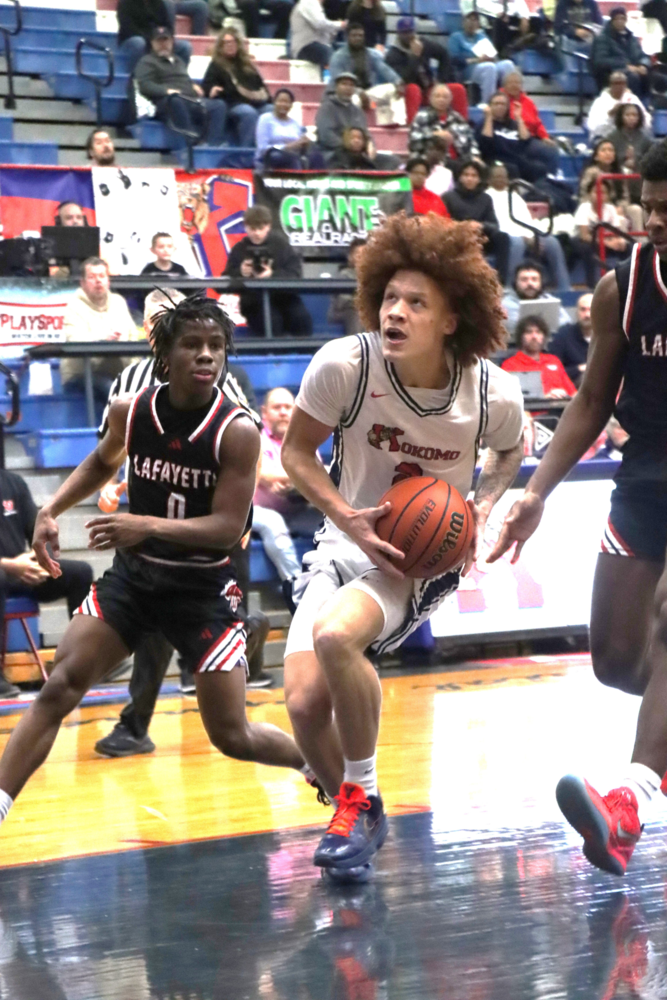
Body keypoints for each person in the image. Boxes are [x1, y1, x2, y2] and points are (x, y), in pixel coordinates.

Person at [0, 295, 329, 838]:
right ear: (166, 354)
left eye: (216, 347)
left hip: (202, 587)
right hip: (136, 579)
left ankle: (314, 765)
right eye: (193, 345)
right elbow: (102, 460)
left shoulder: (238, 430)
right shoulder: (131, 412)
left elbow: (227, 528)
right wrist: (51, 510)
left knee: (231, 734)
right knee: (60, 685)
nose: (206, 356)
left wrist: (144, 525)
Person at [280, 212, 524, 880]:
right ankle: (356, 811)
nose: (396, 311)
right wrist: (344, 517)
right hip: (344, 537)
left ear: (450, 320)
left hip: (418, 561)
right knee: (302, 705)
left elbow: (514, 447)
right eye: (389, 298)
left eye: (416, 303)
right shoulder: (344, 367)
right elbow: (295, 452)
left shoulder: (487, 390)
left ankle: (357, 798)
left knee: (335, 638)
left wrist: (479, 505)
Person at [487, 139, 667, 879]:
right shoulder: (620, 287)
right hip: (645, 481)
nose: (653, 220)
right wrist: (534, 492)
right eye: (648, 207)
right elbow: (591, 400)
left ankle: (627, 799)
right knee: (619, 661)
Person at [94, 290, 272, 758]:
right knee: (152, 628)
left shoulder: (221, 384)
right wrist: (113, 486)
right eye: (157, 320)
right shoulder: (129, 386)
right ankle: (135, 724)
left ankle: (232, 638)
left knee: (183, 626)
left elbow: (239, 453)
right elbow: (111, 449)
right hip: (153, 519)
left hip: (216, 521)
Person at [0, 472, 93, 699]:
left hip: (24, 572)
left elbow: (37, 530)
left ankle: (81, 665)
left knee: (80, 573)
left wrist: (40, 560)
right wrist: (9, 565)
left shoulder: (13, 483)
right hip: (5, 571)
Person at [253, 388, 321, 592]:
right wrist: (299, 477)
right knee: (274, 523)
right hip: (256, 510)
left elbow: (318, 478)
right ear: (264, 413)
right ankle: (297, 593)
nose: (283, 412)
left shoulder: (303, 442)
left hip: (295, 511)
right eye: (277, 408)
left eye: (288, 407)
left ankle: (330, 585)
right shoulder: (255, 438)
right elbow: (263, 473)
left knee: (333, 522)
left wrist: (292, 484)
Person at [223, 205, 313, 338]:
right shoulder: (239, 250)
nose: (257, 233)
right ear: (246, 227)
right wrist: (241, 273)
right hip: (254, 302)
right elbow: (225, 280)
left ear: (268, 226)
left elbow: (295, 274)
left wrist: (272, 275)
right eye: (253, 229)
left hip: (285, 299)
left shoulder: (281, 246)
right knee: (271, 320)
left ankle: (304, 355)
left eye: (261, 229)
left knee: (302, 319)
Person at [61, 257, 139, 407]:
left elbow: (133, 336)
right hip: (81, 375)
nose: (98, 281)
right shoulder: (74, 306)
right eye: (92, 277)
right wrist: (103, 339)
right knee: (112, 389)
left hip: (118, 372)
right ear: (82, 283)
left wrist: (134, 371)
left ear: (108, 280)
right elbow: (74, 341)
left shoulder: (119, 301)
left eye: (102, 276)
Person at [135, 27, 228, 147]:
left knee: (218, 105)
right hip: (167, 102)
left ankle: (213, 144)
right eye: (159, 41)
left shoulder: (178, 60)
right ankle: (191, 141)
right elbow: (145, 85)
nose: (163, 44)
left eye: (166, 40)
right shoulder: (146, 62)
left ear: (172, 42)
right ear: (152, 43)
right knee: (176, 100)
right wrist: (166, 91)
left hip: (190, 100)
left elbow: (183, 79)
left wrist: (192, 85)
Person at [486, 162, 572, 291]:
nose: (501, 179)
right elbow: (500, 224)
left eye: (504, 176)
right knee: (517, 243)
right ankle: (510, 288)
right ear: (489, 179)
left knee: (552, 242)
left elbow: (527, 220)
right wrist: (525, 237)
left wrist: (533, 235)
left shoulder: (514, 196)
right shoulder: (487, 196)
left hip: (526, 233)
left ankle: (564, 288)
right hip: (506, 236)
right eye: (497, 176)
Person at [443, 159, 512, 284]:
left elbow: (494, 225)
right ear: (460, 177)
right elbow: (443, 223)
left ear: (479, 179)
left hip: (480, 236)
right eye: (466, 175)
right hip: (457, 237)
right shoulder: (449, 197)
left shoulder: (486, 198)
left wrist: (480, 225)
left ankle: (501, 283)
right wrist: (464, 226)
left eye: (474, 175)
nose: (470, 179)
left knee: (503, 237)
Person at [202, 27, 272, 149]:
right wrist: (211, 90)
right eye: (226, 42)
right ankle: (245, 151)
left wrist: (269, 99)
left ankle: (268, 150)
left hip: (255, 102)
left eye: (233, 42)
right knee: (248, 113)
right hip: (233, 104)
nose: (230, 45)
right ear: (221, 46)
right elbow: (207, 85)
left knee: (270, 110)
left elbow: (261, 86)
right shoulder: (216, 65)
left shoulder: (248, 65)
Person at [328, 22, 404, 125]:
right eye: (354, 35)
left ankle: (399, 123)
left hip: (368, 92)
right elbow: (338, 83)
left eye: (360, 36)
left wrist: (398, 82)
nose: (358, 38)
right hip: (348, 94)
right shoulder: (338, 57)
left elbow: (384, 69)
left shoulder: (370, 54)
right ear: (347, 37)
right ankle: (350, 129)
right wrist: (358, 92)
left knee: (394, 90)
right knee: (353, 101)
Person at [477, 91, 559, 182]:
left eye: (503, 104)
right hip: (495, 160)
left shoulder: (512, 124)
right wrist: (489, 118)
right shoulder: (484, 123)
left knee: (540, 169)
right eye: (496, 104)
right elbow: (486, 142)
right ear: (490, 106)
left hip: (516, 159)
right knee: (512, 169)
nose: (500, 107)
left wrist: (519, 118)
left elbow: (526, 140)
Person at [385, 16, 452, 123]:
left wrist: (441, 80)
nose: (408, 36)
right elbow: (404, 79)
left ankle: (460, 125)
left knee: (457, 89)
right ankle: (412, 126)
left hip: (429, 88)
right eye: (404, 33)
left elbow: (444, 54)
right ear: (398, 34)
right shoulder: (393, 55)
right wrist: (414, 57)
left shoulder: (424, 43)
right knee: (413, 89)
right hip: (409, 91)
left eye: (410, 32)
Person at [572, 177, 631, 287]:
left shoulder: (610, 209)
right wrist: (605, 242)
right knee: (586, 248)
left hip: (605, 241)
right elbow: (584, 235)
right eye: (596, 192)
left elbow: (615, 232)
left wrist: (619, 242)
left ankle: (629, 282)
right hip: (583, 241)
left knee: (628, 247)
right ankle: (592, 285)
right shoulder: (584, 208)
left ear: (608, 195)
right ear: (589, 194)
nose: (599, 195)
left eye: (603, 192)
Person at [448, 11, 516, 105]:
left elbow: (494, 56)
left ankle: (510, 101)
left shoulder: (481, 36)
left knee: (507, 64)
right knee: (489, 67)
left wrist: (491, 58)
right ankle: (489, 103)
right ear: (463, 22)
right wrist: (477, 60)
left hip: (487, 64)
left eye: (475, 20)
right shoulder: (456, 37)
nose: (472, 23)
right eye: (469, 19)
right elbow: (454, 60)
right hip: (469, 69)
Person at [501, 314, 577, 397]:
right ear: (521, 337)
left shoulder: (554, 360)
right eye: (529, 332)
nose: (534, 336)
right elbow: (509, 401)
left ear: (543, 337)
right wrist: (546, 397)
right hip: (531, 408)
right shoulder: (509, 365)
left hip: (561, 408)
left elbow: (573, 393)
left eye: (538, 332)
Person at [408, 84, 480, 164]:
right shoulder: (421, 117)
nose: (441, 100)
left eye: (445, 97)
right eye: (437, 96)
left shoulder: (458, 118)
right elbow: (413, 144)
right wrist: (434, 136)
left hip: (459, 162)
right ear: (430, 99)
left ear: (450, 99)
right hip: (429, 162)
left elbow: (471, 142)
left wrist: (475, 157)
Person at [255, 88, 324, 169]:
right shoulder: (265, 119)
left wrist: (304, 143)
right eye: (280, 101)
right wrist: (287, 147)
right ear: (274, 102)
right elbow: (262, 148)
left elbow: (299, 144)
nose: (283, 104)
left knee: (317, 155)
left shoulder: (295, 123)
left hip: (294, 155)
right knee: (290, 158)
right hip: (271, 157)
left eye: (287, 102)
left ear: (291, 105)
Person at [591, 7, 650, 97]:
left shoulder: (632, 38)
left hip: (633, 69)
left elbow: (642, 55)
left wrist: (643, 65)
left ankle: (647, 106)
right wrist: (625, 66)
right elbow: (600, 61)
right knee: (633, 78)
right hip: (612, 72)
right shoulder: (602, 38)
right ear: (611, 21)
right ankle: (631, 105)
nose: (619, 21)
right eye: (616, 19)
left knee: (654, 76)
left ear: (626, 20)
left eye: (622, 18)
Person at [117, 0, 194, 70]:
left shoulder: (159, 3)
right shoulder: (125, 3)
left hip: (157, 39)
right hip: (132, 41)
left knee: (185, 47)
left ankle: (178, 79)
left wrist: (164, 40)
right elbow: (129, 29)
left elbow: (167, 27)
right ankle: (137, 78)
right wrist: (151, 41)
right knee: (138, 42)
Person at [502, 261, 570, 339]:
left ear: (541, 283)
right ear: (515, 283)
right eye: (524, 280)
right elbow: (516, 326)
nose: (530, 283)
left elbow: (567, 324)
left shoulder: (550, 299)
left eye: (534, 279)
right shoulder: (506, 304)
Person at [315, 72, 370, 163]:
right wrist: (348, 146)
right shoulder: (326, 108)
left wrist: (370, 145)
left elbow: (365, 134)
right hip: (332, 151)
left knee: (391, 161)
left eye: (351, 85)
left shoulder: (358, 111)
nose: (348, 88)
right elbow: (326, 135)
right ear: (336, 87)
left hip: (356, 152)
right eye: (344, 84)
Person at [586, 70, 652, 139]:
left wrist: (636, 120)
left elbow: (647, 124)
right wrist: (610, 115)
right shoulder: (600, 102)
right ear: (610, 85)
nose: (619, 86)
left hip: (630, 138)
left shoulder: (633, 99)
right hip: (606, 139)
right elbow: (593, 127)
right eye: (616, 83)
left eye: (622, 83)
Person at [501, 71, 557, 145]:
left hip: (533, 138)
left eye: (517, 83)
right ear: (504, 86)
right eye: (510, 82)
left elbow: (538, 124)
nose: (514, 85)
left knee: (555, 144)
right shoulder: (500, 101)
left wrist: (544, 137)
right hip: (512, 139)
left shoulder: (529, 102)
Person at [550, 292, 593, 386]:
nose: (587, 315)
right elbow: (552, 368)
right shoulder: (564, 334)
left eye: (591, 310)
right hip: (572, 386)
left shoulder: (608, 335)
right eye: (583, 310)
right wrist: (578, 369)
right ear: (576, 312)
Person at [327, 236, 365, 335]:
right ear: (350, 257)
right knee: (355, 311)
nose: (362, 258)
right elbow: (343, 302)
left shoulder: (374, 276)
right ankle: (358, 348)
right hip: (341, 312)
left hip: (365, 311)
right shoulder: (344, 274)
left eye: (365, 254)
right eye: (358, 254)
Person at [290, 0, 344, 68]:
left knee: (342, 53)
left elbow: (326, 33)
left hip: (318, 45)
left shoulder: (317, 6)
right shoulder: (308, 2)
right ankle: (331, 77)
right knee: (326, 52)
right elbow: (320, 24)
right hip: (305, 46)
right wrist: (341, 25)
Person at [608, 102, 653, 174]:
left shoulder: (645, 138)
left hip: (640, 177)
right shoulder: (611, 138)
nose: (631, 118)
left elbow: (651, 162)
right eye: (627, 115)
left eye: (635, 115)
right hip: (616, 176)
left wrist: (636, 162)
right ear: (621, 117)